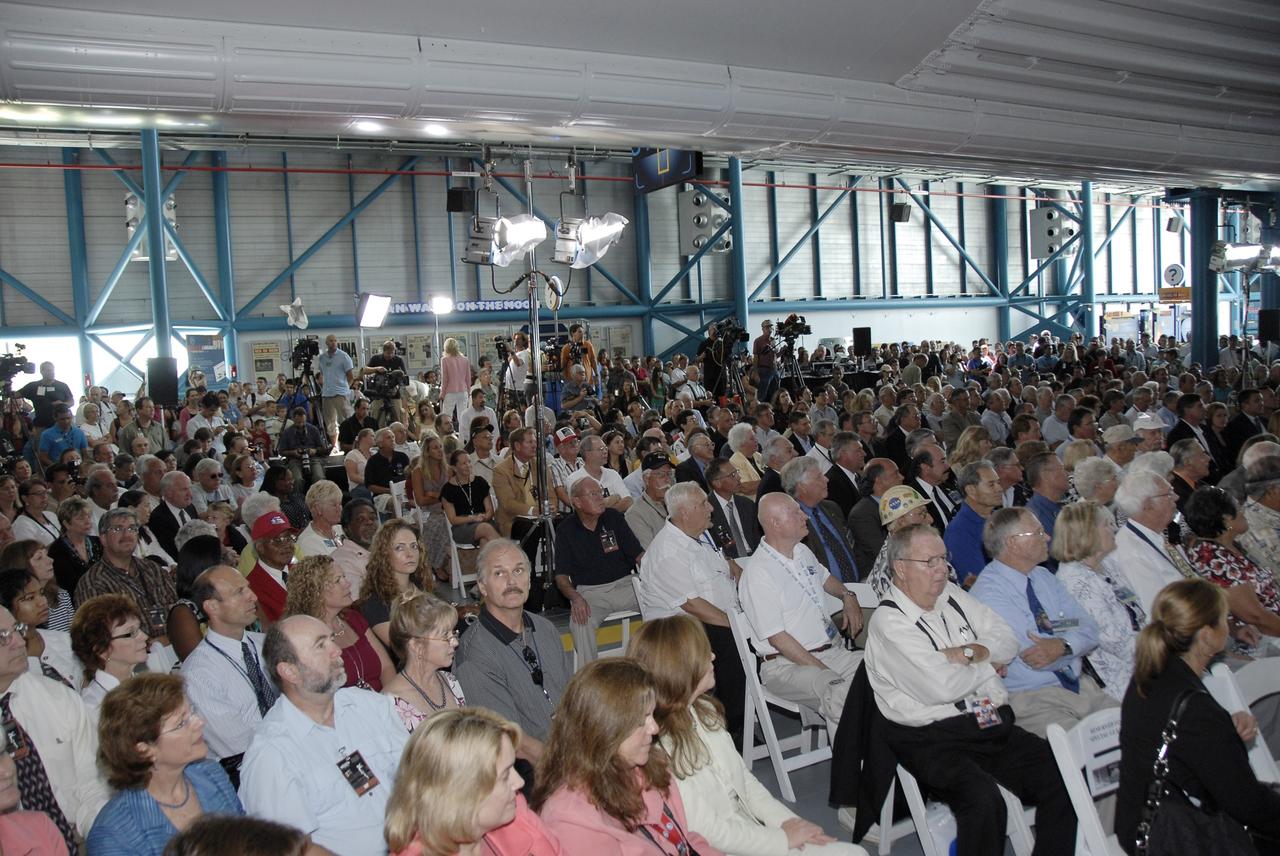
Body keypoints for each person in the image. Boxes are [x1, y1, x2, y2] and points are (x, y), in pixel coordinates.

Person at [863, 524, 1076, 856]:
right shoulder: (890, 623)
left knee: (1063, 778)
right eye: (929, 561)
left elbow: (1007, 639)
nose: (941, 569)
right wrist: (987, 662)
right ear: (901, 568)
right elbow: (940, 686)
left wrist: (967, 655)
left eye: (942, 559)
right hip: (931, 737)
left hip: (987, 719)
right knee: (984, 803)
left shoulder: (953, 596)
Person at [627, 616, 862, 856]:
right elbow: (710, 833)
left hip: (750, 831)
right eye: (703, 652)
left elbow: (746, 783)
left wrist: (789, 823)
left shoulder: (705, 712)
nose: (713, 657)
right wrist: (781, 840)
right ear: (679, 667)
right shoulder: (660, 748)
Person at [1114, 579, 1280, 854]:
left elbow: (1188, 752)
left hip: (1144, 821)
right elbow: (1246, 804)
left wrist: (1227, 733)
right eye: (1223, 620)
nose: (1228, 627)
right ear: (1206, 635)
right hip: (1184, 837)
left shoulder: (1151, 676)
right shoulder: (1193, 706)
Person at [238, 614, 410, 855]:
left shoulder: (368, 705)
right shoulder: (272, 755)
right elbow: (291, 849)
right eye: (321, 645)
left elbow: (416, 774)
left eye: (331, 639)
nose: (336, 651)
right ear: (290, 671)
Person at [534, 658, 722, 856]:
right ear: (605, 729)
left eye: (652, 715)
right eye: (642, 720)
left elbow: (682, 840)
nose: (655, 728)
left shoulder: (645, 766)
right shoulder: (571, 817)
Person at [970, 507, 1115, 738]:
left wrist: (1064, 646)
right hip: (1034, 698)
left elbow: (1089, 628)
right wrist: (1071, 643)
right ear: (1013, 543)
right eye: (1038, 532)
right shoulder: (988, 594)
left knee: (1136, 733)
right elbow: (1034, 656)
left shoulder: (1044, 577)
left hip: (1081, 686)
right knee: (1086, 750)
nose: (1047, 537)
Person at [738, 492, 864, 731]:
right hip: (786, 666)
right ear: (775, 523)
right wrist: (824, 668)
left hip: (830, 652)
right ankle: (853, 766)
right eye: (795, 512)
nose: (804, 515)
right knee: (838, 691)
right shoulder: (758, 573)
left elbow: (827, 580)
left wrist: (848, 597)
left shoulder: (802, 552)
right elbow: (779, 639)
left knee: (884, 671)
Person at [638, 482, 747, 747]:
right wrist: (740, 625)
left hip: (707, 620)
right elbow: (694, 606)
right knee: (730, 641)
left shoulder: (699, 539)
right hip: (675, 632)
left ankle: (738, 718)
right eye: (703, 504)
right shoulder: (668, 552)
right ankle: (732, 726)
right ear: (685, 512)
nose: (711, 508)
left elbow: (727, 573)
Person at [86, 673, 243, 855]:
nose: (199, 723)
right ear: (144, 749)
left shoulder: (211, 775)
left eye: (191, 712)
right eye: (181, 723)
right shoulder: (113, 833)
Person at [0, 603, 109, 850]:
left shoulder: (59, 698)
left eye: (16, 630)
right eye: (2, 638)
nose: (19, 641)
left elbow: (93, 784)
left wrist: (99, 836)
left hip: (79, 836)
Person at [453, 539, 572, 764]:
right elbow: (510, 741)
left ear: (529, 578)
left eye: (518, 570)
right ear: (481, 586)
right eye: (499, 573)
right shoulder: (475, 655)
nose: (511, 581)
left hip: (571, 747)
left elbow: (572, 696)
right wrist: (569, 766)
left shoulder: (544, 628)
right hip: (529, 769)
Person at [384, 707, 558, 856]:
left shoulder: (515, 811)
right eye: (505, 775)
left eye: (514, 767)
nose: (519, 782)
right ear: (464, 790)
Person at [180, 565, 277, 780]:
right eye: (239, 592)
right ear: (212, 607)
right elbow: (239, 747)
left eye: (248, 588)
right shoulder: (198, 674)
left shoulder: (266, 645)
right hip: (250, 774)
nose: (253, 596)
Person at [1052, 501, 1142, 702]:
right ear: (1087, 533)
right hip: (1119, 681)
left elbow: (1137, 611)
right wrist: (1166, 647)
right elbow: (1116, 643)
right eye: (1107, 525)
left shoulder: (1106, 565)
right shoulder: (1075, 581)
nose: (1115, 529)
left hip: (1143, 662)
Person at [554, 476, 644, 664]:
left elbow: (638, 555)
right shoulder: (566, 530)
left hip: (626, 586)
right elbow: (561, 576)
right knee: (580, 622)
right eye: (593, 494)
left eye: (600, 492)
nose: (600, 497)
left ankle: (659, 665)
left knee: (664, 600)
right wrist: (575, 597)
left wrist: (657, 578)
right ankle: (591, 675)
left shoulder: (613, 518)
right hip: (592, 593)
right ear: (577, 502)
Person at [1181, 486, 1280, 637]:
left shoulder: (1229, 546)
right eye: (1239, 509)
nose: (1244, 513)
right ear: (1227, 520)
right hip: (1265, 638)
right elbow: (1254, 616)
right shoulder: (1211, 557)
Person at [1107, 470, 1196, 614]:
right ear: (1147, 504)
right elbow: (1157, 612)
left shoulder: (1155, 534)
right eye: (1168, 494)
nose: (1176, 497)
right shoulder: (1131, 553)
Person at [381, 590, 466, 732]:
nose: (455, 642)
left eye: (453, 633)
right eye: (446, 636)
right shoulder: (390, 703)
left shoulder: (450, 681)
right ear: (416, 646)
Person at [71, 593, 149, 709]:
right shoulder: (95, 706)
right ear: (101, 650)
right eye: (131, 633)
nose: (144, 636)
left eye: (139, 629)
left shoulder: (144, 686)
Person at [359, 519, 427, 649]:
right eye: (399, 548)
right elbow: (403, 648)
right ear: (384, 554)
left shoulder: (419, 585)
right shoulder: (376, 602)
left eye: (414, 546)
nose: (410, 554)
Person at [943, 461, 1003, 587]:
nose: (999, 489)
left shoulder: (1000, 518)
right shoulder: (959, 532)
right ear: (971, 490)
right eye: (991, 485)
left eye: (998, 483)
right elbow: (978, 581)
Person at [2, 537, 74, 632]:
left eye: (46, 555)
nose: (51, 560)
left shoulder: (61, 595)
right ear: (22, 566)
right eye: (39, 558)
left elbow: (75, 634)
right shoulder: (8, 607)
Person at [409, 435, 452, 582]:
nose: (440, 450)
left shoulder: (448, 470)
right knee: (438, 523)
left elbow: (453, 494)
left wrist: (435, 494)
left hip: (446, 508)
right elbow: (421, 500)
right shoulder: (418, 472)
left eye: (440, 447)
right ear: (427, 452)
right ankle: (435, 564)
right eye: (435, 448)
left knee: (447, 520)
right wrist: (441, 495)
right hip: (426, 511)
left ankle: (433, 562)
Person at [245, 510, 298, 625]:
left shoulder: (301, 571)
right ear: (260, 547)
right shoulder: (251, 587)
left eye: (289, 538)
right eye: (277, 540)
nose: (287, 545)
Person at [704, 456, 760, 559]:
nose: (739, 477)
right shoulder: (705, 510)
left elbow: (757, 538)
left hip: (755, 558)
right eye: (732, 475)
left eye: (737, 472)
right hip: (729, 564)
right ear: (717, 483)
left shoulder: (747, 504)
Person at [441, 449, 498, 550]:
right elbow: (453, 519)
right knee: (486, 528)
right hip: (462, 527)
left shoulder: (480, 482)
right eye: (463, 463)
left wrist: (484, 517)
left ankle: (485, 566)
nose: (468, 465)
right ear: (454, 468)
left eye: (469, 462)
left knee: (484, 541)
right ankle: (505, 556)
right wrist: (473, 518)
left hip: (484, 521)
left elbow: (490, 510)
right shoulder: (448, 490)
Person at [625, 451, 673, 549]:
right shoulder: (635, 514)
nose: (667, 479)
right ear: (646, 479)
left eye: (669, 474)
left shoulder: (677, 502)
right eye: (661, 475)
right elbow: (650, 554)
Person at [330, 498, 377, 596]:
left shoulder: (386, 549)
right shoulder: (341, 561)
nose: (369, 522)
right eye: (361, 519)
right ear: (347, 529)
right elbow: (360, 603)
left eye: (373, 518)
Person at [317, 334, 355, 446]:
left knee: (345, 420)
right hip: (327, 394)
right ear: (326, 343)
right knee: (330, 422)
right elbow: (323, 374)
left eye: (335, 340)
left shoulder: (344, 356)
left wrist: (345, 389)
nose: (333, 343)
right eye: (330, 341)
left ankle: (348, 443)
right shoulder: (322, 358)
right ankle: (334, 446)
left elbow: (350, 376)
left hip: (341, 393)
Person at [297, 479, 345, 558]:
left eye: (340, 504)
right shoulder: (308, 542)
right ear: (317, 508)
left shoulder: (341, 530)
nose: (339, 509)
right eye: (334, 505)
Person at [13, 478, 60, 546]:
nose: (44, 496)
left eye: (45, 492)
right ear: (25, 498)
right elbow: (29, 553)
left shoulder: (51, 515)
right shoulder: (21, 524)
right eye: (38, 493)